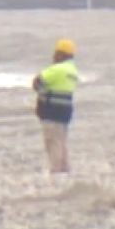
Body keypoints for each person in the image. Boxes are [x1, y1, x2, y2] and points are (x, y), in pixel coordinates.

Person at [33, 38, 79, 175]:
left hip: (51, 111)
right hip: (65, 112)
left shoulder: (57, 69)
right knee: (61, 142)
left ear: (61, 54)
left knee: (52, 142)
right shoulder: (72, 71)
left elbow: (37, 82)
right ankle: (64, 169)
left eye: (56, 53)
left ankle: (56, 171)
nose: (54, 56)